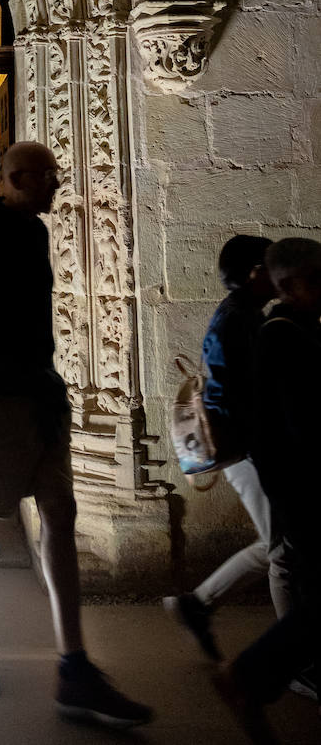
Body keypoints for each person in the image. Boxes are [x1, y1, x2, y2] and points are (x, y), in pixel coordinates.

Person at [0, 141, 152, 727]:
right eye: (49, 175)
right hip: (2, 400)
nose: (58, 183)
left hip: (41, 395)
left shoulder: (34, 231)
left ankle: (75, 666)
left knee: (60, 516)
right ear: (17, 178)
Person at [164, 234, 290, 659]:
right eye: (272, 267)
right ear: (254, 272)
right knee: (284, 553)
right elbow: (230, 394)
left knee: (277, 543)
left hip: (252, 446)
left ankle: (196, 605)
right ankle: (292, 658)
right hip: (248, 449)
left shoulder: (249, 314)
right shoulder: (238, 319)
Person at [214, 238, 321, 742]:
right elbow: (294, 422)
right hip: (293, 482)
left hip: (285, 478)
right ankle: (253, 675)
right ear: (280, 282)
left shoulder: (283, 326)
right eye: (313, 279)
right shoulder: (274, 333)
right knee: (287, 563)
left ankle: (251, 672)